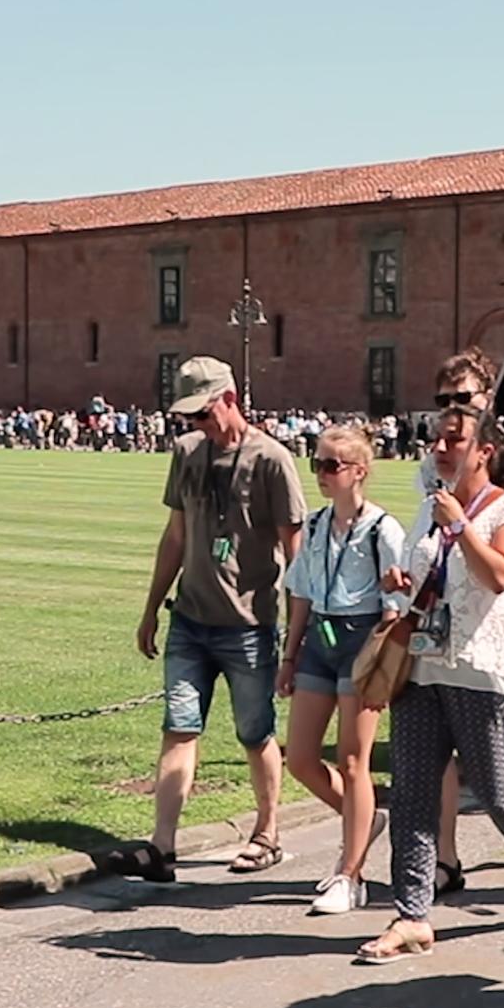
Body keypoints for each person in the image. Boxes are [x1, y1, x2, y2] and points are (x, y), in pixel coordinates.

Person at [355, 406, 504, 962]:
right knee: (413, 796)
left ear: (484, 451)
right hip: (421, 666)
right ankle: (411, 915)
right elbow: (424, 578)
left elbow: (499, 575)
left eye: (455, 440)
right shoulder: (429, 508)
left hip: (482, 669)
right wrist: (398, 581)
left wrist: (461, 525)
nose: (441, 448)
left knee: (496, 791)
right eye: (436, 439)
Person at [114, 356, 306, 882]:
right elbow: (175, 535)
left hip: (248, 625)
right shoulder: (186, 452)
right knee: (179, 728)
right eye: (189, 415)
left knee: (255, 733)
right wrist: (151, 607)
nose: (197, 423)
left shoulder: (271, 459)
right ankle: (162, 846)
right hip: (190, 622)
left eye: (203, 412)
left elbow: (297, 553)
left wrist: (296, 637)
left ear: (229, 397)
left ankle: (267, 832)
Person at [414, 347, 504, 896]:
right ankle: (444, 859)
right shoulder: (432, 461)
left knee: (497, 776)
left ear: (487, 399)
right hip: (439, 630)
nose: (451, 409)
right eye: (443, 400)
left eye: (463, 399)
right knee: (434, 767)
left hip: (495, 608)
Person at [276, 424, 407, 915]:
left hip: (363, 640)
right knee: (302, 759)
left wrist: (385, 669)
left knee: (355, 761)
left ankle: (350, 874)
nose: (322, 474)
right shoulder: (313, 526)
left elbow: (396, 605)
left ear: (359, 471)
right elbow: (302, 593)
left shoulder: (382, 529)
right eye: (318, 464)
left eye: (331, 465)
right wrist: (289, 657)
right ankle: (365, 819)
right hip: (320, 640)